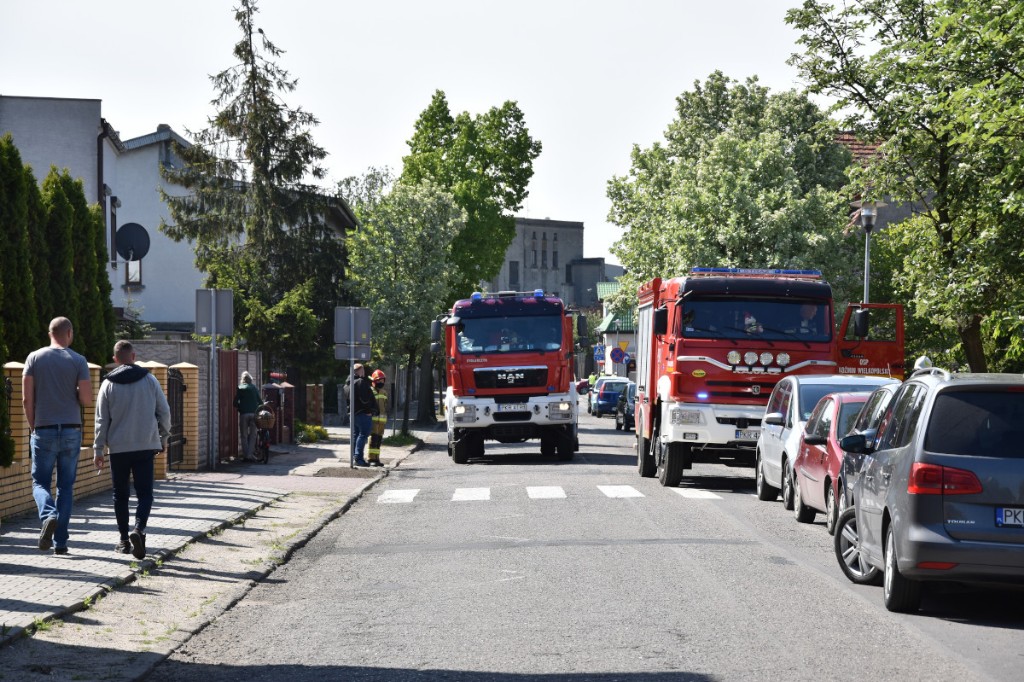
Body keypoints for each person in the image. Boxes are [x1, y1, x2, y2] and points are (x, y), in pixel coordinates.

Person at [93, 340, 171, 560]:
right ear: (134, 356)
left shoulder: (108, 384)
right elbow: (164, 412)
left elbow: (101, 420)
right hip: (145, 445)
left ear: (115, 359)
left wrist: (98, 449)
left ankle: (124, 540)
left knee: (120, 495)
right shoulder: (150, 380)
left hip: (118, 448)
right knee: (145, 493)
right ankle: (139, 529)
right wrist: (164, 436)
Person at [22, 317, 92, 555]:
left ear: (49, 332)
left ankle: (48, 515)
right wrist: (72, 389)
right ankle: (60, 543)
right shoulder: (79, 360)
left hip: (43, 428)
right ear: (69, 333)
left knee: (40, 481)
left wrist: (34, 426)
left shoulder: (34, 358)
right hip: (71, 429)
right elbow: (85, 399)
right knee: (65, 487)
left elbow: (26, 398)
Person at [350, 364, 376, 467]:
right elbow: (365, 399)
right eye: (363, 370)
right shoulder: (360, 382)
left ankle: (354, 456)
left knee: (356, 435)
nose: (364, 372)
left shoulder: (349, 383)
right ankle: (358, 458)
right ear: (360, 371)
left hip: (354, 413)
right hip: (362, 413)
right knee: (363, 434)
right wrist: (369, 411)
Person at [234, 371, 262, 462]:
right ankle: (250, 455)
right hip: (254, 414)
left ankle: (246, 456)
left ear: (242, 379)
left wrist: (240, 407)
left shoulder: (240, 388)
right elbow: (260, 402)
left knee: (244, 435)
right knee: (253, 435)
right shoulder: (254, 388)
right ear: (250, 379)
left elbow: (235, 402)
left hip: (243, 414)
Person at [367, 370, 388, 467]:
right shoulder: (370, 391)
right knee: (373, 439)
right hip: (373, 420)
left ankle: (377, 458)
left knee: (379, 440)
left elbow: (385, 406)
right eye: (379, 381)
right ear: (374, 381)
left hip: (382, 421)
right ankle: (371, 458)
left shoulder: (384, 392)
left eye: (382, 381)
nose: (381, 382)